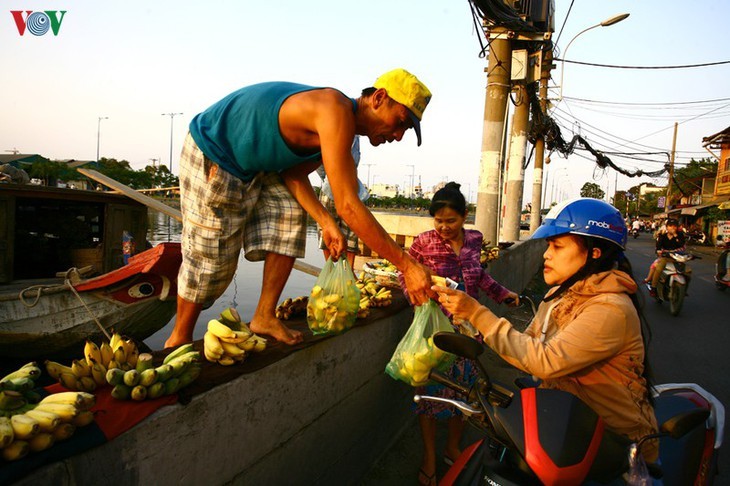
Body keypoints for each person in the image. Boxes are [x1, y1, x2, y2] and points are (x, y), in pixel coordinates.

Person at [165, 68, 435, 348]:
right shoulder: (335, 109)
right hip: (214, 149)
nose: (398, 135)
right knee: (211, 255)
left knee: (290, 213)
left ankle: (264, 316)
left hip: (257, 166)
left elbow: (293, 176)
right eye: (400, 122)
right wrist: (407, 266)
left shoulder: (338, 132)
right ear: (378, 98)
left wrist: (325, 222)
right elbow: (348, 206)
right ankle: (179, 337)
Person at [432, 198, 659, 463]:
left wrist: (476, 312)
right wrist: (468, 320)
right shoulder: (558, 295)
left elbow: (546, 361)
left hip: (612, 443)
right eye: (548, 245)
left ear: (594, 253)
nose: (546, 254)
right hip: (566, 424)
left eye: (557, 246)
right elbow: (527, 347)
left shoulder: (610, 308)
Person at [401, 182, 519, 485]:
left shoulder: (474, 240)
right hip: (434, 335)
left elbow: (479, 276)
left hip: (468, 333)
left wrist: (503, 294)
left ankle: (452, 446)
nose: (443, 227)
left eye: (450, 221)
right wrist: (416, 296)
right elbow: (405, 273)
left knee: (465, 395)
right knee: (428, 399)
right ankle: (429, 456)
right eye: (438, 221)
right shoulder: (424, 241)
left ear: (464, 216)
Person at [315, 137, 368, 267]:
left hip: (351, 189)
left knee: (352, 235)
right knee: (327, 232)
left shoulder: (355, 136)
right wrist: (328, 178)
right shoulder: (337, 128)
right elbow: (319, 163)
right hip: (330, 189)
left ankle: (348, 271)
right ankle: (330, 268)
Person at [648, 218, 687, 297]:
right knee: (658, 268)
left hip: (677, 257)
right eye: (670, 226)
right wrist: (659, 251)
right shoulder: (662, 236)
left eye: (674, 226)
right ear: (666, 227)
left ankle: (683, 289)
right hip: (665, 257)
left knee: (687, 271)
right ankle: (653, 287)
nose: (672, 228)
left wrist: (676, 236)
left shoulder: (680, 235)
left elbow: (681, 244)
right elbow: (658, 247)